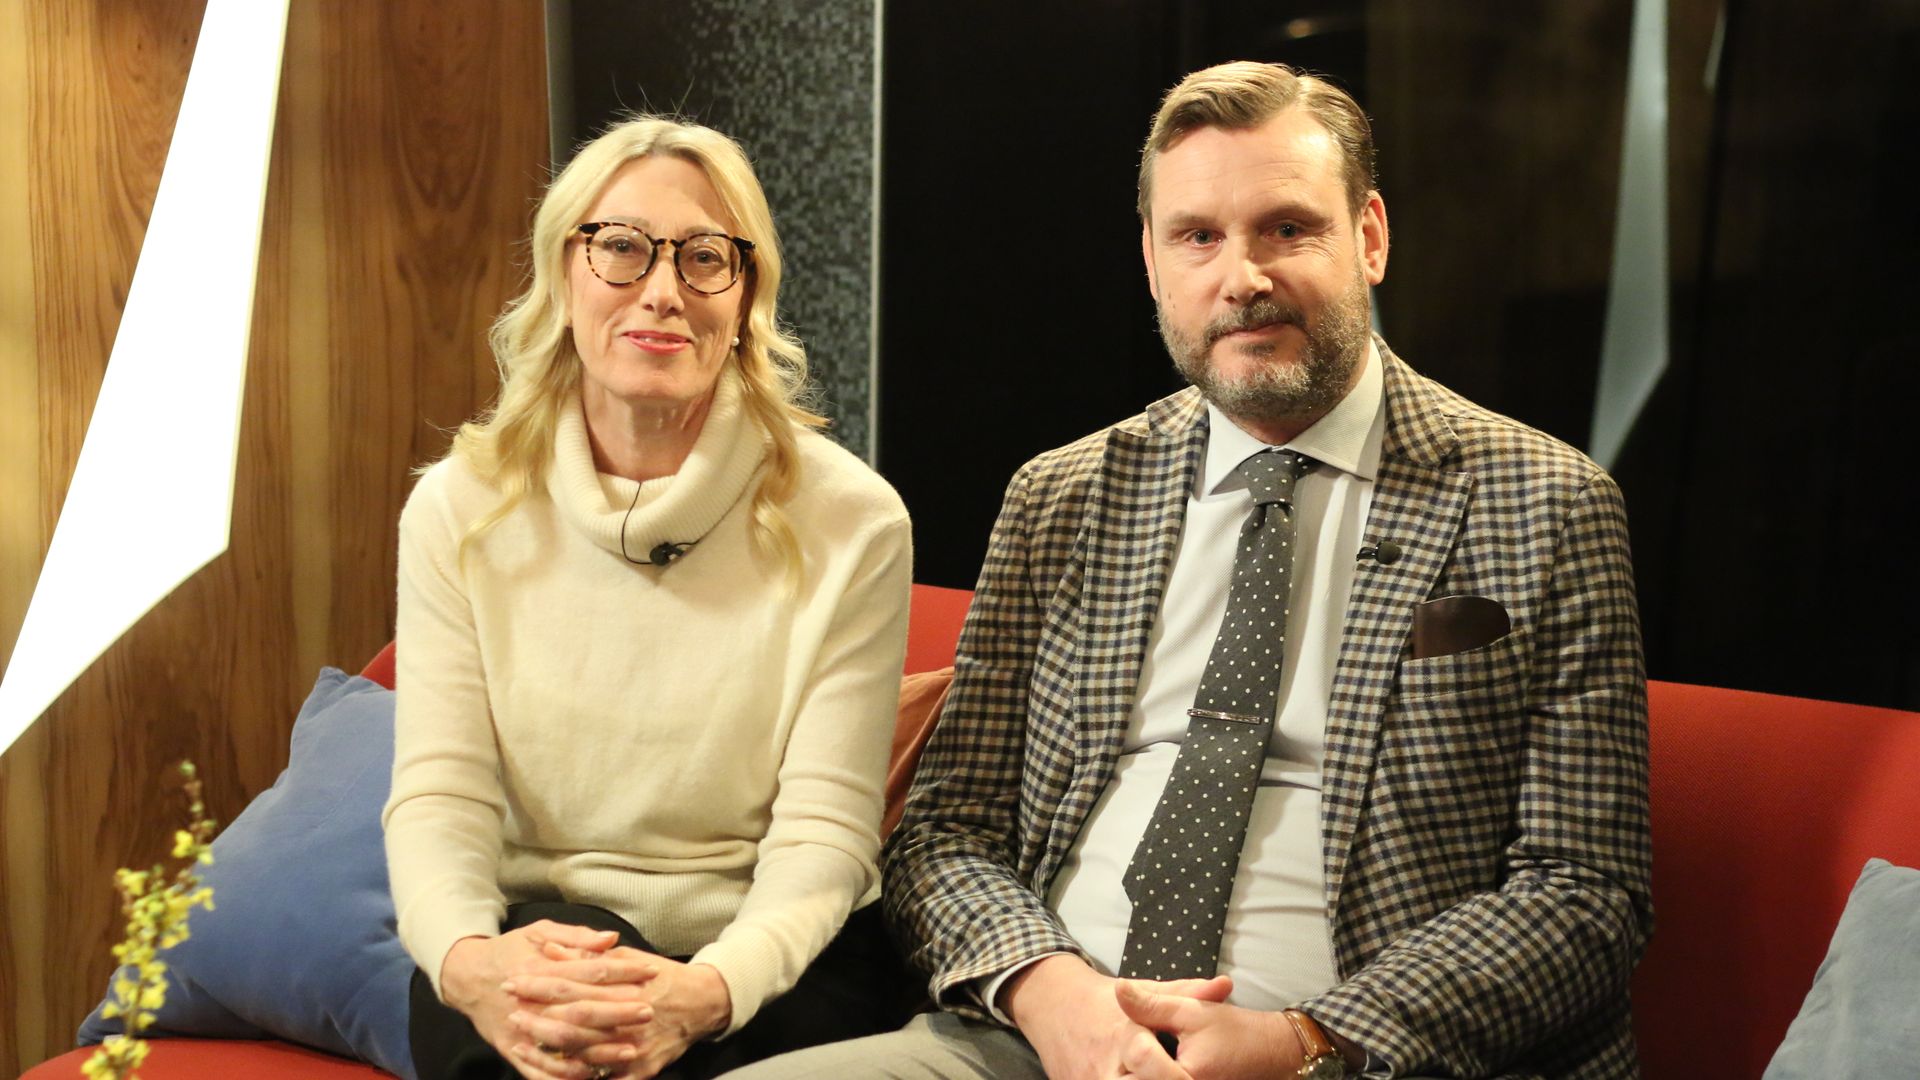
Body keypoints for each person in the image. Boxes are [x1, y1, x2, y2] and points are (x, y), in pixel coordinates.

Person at [722, 61, 1653, 1080]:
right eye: (1198, 236)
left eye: (1287, 229)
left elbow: (1585, 891)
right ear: (1154, 263)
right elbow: (946, 830)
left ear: (1371, 237)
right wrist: (1050, 996)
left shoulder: (1543, 503)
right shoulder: (1062, 498)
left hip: (1355, 1054)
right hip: (1035, 1043)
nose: (1242, 277)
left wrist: (1303, 1040)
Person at [383, 115, 915, 1080]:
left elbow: (825, 837)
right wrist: (470, 965)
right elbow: (439, 797)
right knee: (529, 1026)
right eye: (622, 248)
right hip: (538, 940)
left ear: (746, 297)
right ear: (563, 275)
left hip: (767, 958)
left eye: (705, 258)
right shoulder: (459, 510)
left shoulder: (853, 522)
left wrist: (704, 993)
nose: (663, 291)